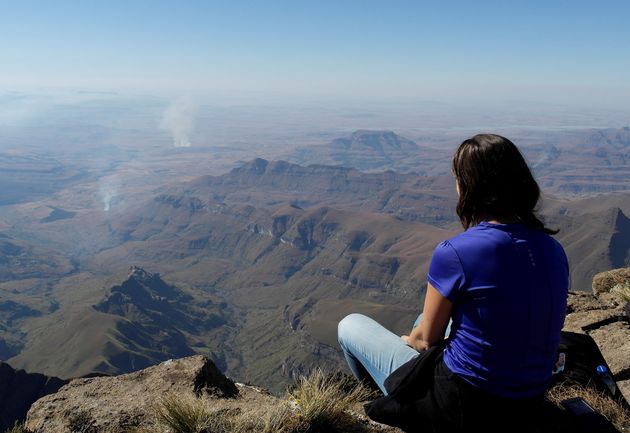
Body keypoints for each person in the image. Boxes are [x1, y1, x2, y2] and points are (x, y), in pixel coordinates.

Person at [337, 134, 570, 432]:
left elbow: (425, 341)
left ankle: (393, 410)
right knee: (427, 318)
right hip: (529, 400)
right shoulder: (552, 249)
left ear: (470, 186)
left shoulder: (457, 252)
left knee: (350, 325)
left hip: (465, 406)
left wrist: (407, 342)